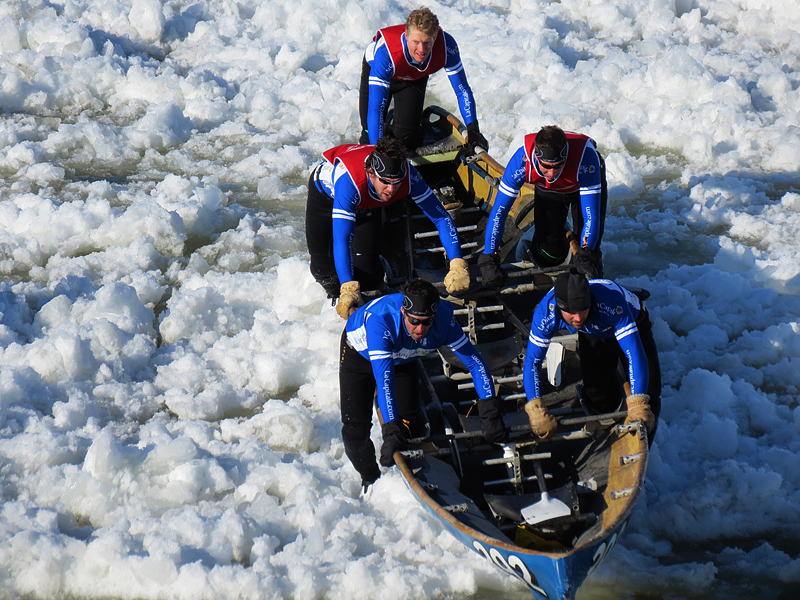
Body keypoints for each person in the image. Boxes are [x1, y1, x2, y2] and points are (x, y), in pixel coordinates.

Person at [339, 278, 508, 491]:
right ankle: (370, 478)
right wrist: (390, 429)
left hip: (403, 357)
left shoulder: (445, 319)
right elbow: (384, 380)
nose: (420, 329)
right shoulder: (381, 321)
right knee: (354, 433)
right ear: (403, 312)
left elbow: (475, 364)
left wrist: (490, 411)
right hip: (360, 356)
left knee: (411, 423)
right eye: (414, 321)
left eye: (427, 322)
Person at [305, 136, 470, 319]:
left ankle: (379, 278)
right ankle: (337, 299)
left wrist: (457, 262)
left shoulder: (409, 174)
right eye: (386, 182)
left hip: (369, 199)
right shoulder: (349, 183)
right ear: (371, 172)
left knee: (366, 270)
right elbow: (342, 240)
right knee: (322, 268)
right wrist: (347, 288)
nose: (392, 190)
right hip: (327, 197)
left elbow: (441, 218)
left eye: (396, 182)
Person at [521, 268, 661, 445]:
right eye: (571, 312)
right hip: (592, 329)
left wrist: (639, 400)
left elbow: (634, 353)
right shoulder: (545, 313)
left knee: (651, 394)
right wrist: (535, 407)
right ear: (559, 306)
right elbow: (533, 361)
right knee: (599, 396)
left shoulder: (611, 302)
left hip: (629, 321)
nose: (578, 317)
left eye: (582, 309)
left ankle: (646, 439)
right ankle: (602, 411)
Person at [477, 125, 607, 288]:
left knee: (588, 253)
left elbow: (591, 216)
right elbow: (499, 212)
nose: (552, 173)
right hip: (549, 189)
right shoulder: (521, 163)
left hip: (583, 183)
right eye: (546, 166)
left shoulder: (586, 159)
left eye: (558, 165)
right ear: (536, 159)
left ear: (566, 158)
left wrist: (586, 252)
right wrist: (489, 256)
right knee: (549, 252)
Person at [358, 6, 488, 154]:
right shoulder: (386, 53)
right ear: (406, 36)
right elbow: (376, 108)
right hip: (381, 70)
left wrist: (473, 128)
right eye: (416, 42)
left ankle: (399, 118)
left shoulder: (447, 46)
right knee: (369, 136)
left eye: (427, 43)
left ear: (435, 37)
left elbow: (462, 89)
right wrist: (378, 153)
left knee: (406, 142)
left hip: (412, 77)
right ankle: (389, 122)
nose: (421, 50)